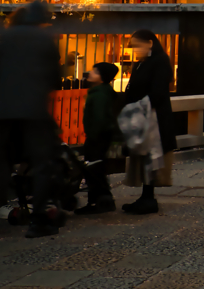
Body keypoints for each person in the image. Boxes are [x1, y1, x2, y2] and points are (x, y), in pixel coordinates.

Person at [0, 0, 62, 238]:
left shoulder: (4, 38)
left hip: (4, 110)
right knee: (41, 163)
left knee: (4, 159)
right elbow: (55, 78)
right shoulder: (45, 40)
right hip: (33, 110)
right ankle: (39, 218)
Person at [121, 29, 177, 215]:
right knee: (145, 157)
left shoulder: (160, 62)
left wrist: (138, 106)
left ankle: (148, 197)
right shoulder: (142, 63)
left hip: (153, 117)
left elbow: (158, 92)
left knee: (151, 156)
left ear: (150, 43)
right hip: (143, 115)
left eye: (138, 46)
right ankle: (146, 196)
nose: (135, 50)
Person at [75, 62, 120, 215]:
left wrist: (93, 135)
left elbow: (99, 118)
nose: (90, 73)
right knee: (96, 168)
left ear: (102, 77)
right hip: (101, 136)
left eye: (95, 71)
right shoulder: (101, 92)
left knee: (94, 169)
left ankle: (100, 201)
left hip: (97, 137)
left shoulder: (99, 94)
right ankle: (99, 201)